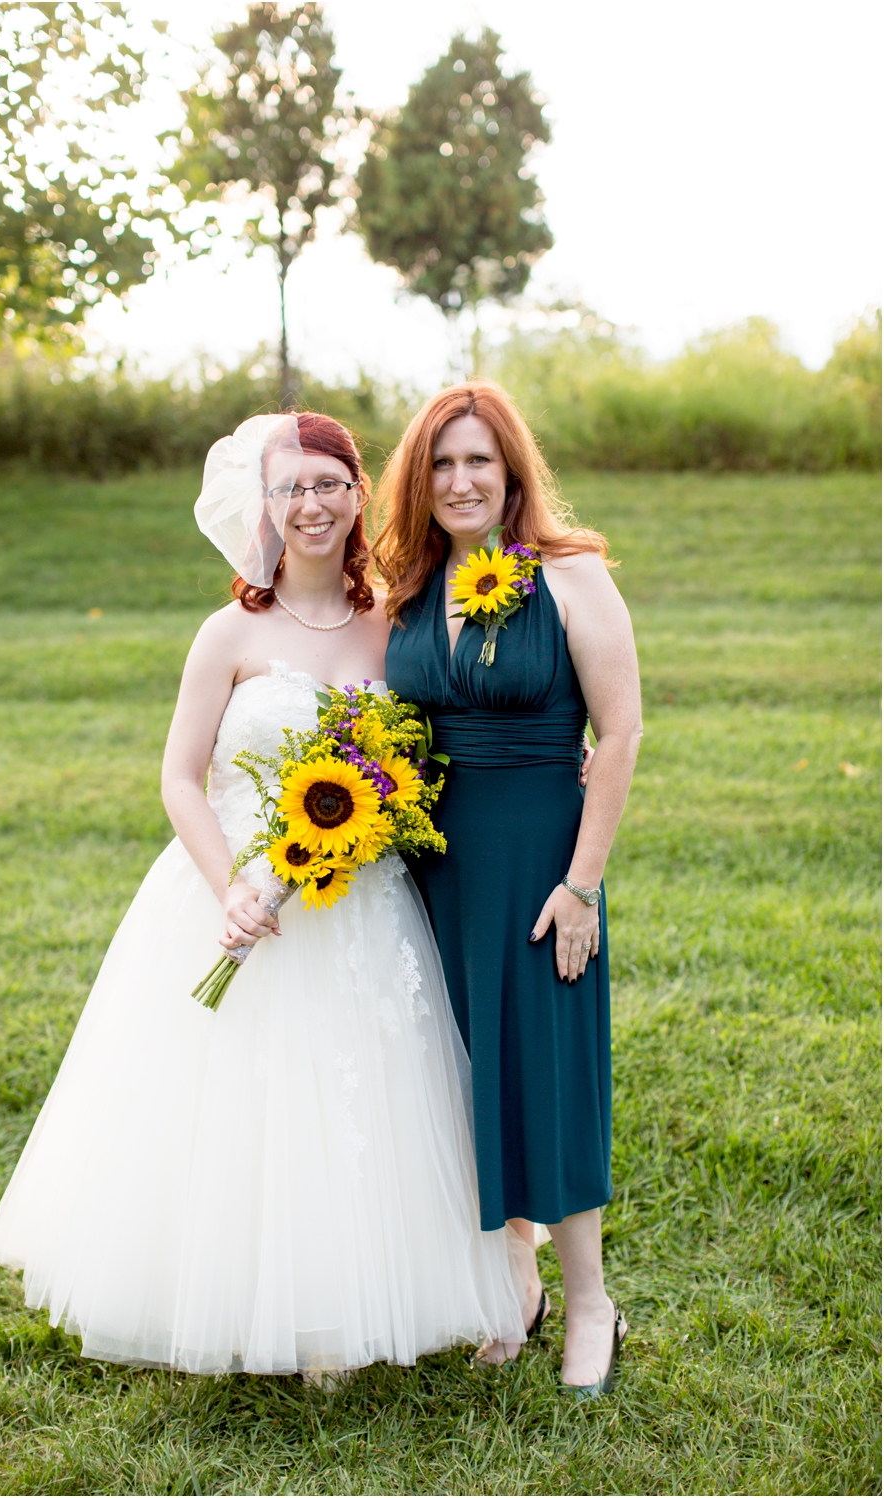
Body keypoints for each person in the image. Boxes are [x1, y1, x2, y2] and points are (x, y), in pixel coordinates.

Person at [0, 411, 535, 1381]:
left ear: (358, 494)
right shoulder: (228, 630)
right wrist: (231, 884)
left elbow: (433, 752)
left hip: (359, 906)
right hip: (233, 898)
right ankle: (235, 1295)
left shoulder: (392, 627)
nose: (310, 504)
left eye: (327, 483)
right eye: (290, 488)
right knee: (233, 1102)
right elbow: (179, 777)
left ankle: (349, 1307)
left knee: (361, 1100)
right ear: (265, 506)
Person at [379, 383, 643, 1397]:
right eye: (440, 464)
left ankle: (591, 1301)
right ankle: (511, 1282)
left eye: (478, 460)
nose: (459, 481)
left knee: (550, 1073)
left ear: (512, 471)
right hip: (432, 873)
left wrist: (582, 884)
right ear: (419, 481)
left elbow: (617, 733)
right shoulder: (405, 588)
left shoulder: (570, 579)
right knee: (463, 1074)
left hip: (542, 867)